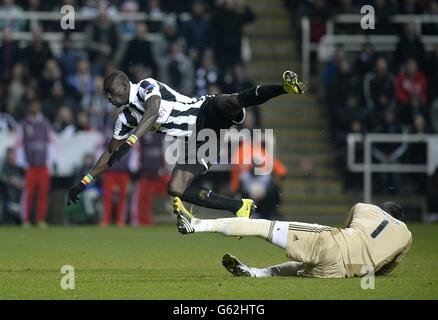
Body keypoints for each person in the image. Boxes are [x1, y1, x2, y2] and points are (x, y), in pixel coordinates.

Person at [67, 69, 306, 220]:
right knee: (175, 188)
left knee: (229, 100)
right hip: (200, 140)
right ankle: (239, 206)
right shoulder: (124, 119)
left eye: (110, 91)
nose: (108, 97)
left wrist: (131, 140)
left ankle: (283, 88)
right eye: (105, 94)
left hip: (204, 110)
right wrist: (84, 181)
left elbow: (152, 112)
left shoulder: (146, 87)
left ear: (124, 85)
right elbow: (110, 152)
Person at [173, 198, 412, 278]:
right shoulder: (407, 236)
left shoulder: (365, 207)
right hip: (342, 271)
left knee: (262, 226)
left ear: (383, 208)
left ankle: (196, 224)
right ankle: (258, 273)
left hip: (332, 242)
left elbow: (347, 228)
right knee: (303, 266)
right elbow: (383, 269)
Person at [16, 99, 57, 227]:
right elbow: (19, 145)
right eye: (32, 106)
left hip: (43, 165)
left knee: (43, 193)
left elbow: (50, 143)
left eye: (37, 106)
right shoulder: (23, 124)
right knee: (28, 193)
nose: (35, 108)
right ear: (30, 108)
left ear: (39, 108)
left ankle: (40, 220)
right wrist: (22, 163)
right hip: (30, 165)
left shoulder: (45, 124)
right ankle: (26, 220)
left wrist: (51, 161)